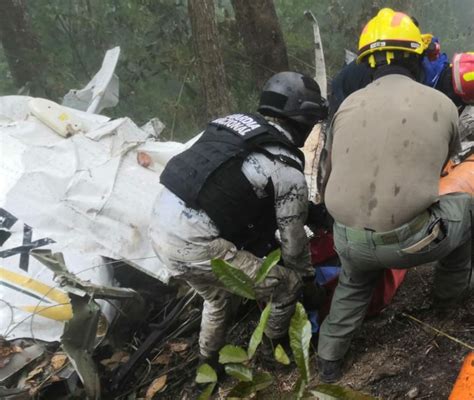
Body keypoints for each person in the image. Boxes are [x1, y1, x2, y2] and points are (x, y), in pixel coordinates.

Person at [317, 8, 473, 383]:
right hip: (410, 241)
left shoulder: (345, 107)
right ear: (417, 58)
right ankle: (446, 299)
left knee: (355, 283)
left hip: (348, 240)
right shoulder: (442, 104)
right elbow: (445, 163)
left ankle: (328, 361)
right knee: (469, 211)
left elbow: (330, 170)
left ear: (368, 64)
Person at [150, 72, 328, 372]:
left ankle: (207, 365)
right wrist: (308, 286)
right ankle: (277, 349)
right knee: (287, 285)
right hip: (198, 243)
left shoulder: (233, 124)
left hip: (160, 229)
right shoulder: (286, 169)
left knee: (218, 298)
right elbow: (294, 246)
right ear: (303, 122)